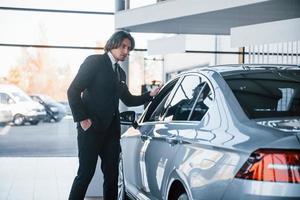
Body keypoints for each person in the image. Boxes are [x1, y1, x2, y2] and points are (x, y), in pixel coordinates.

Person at [67, 30, 160, 200]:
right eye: (123, 46)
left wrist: (150, 95)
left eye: (129, 49)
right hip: (91, 129)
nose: (126, 51)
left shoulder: (120, 73)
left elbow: (129, 99)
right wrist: (83, 120)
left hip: (111, 132)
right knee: (85, 175)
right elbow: (73, 90)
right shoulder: (94, 62)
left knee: (112, 176)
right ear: (113, 44)